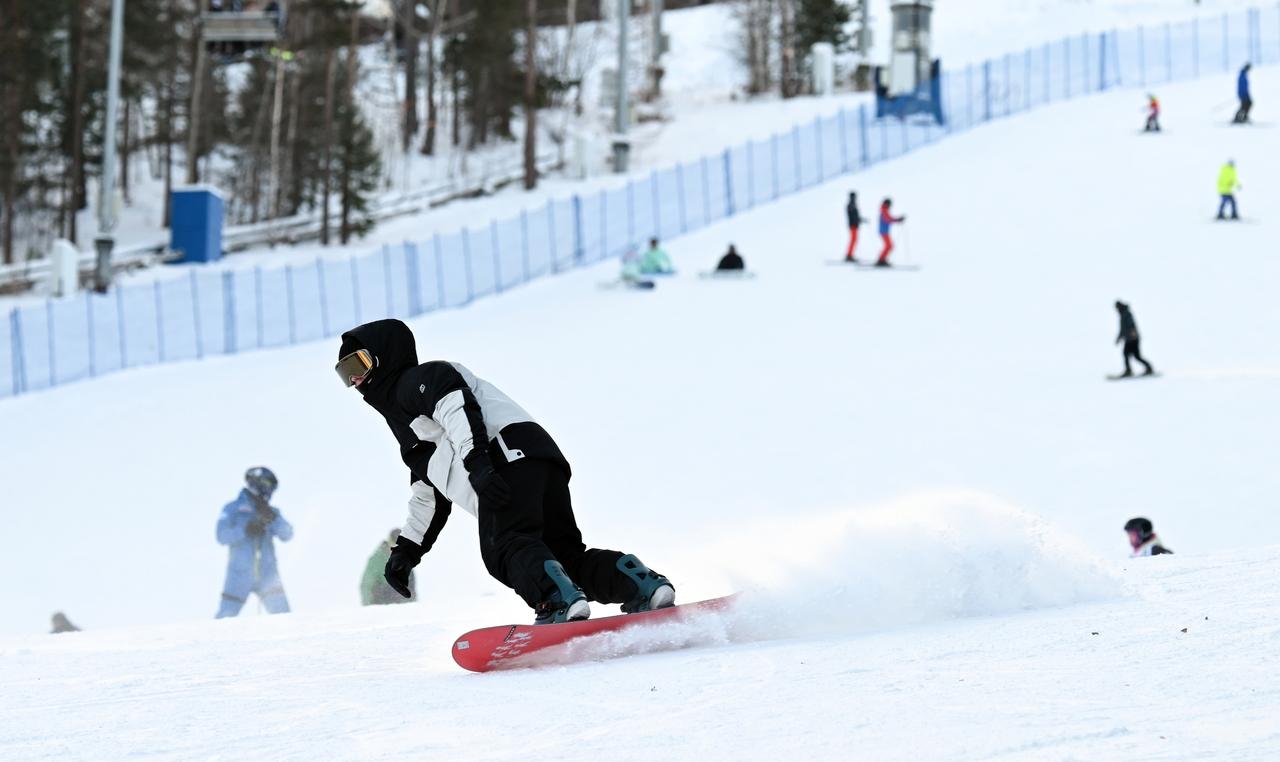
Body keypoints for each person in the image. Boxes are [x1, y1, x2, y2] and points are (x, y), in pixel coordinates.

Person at [335, 319, 676, 625]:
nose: (355, 379)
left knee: (506, 546)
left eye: (358, 363)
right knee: (562, 558)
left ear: (384, 356)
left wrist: (480, 465)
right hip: (535, 459)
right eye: (344, 373)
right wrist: (406, 551)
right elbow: (429, 494)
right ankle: (641, 585)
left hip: (503, 457)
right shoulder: (409, 432)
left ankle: (556, 602)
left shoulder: (418, 380)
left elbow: (456, 407)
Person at [216, 467, 293, 618]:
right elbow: (221, 536)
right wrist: (246, 529)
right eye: (267, 486)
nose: (269, 491)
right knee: (224, 620)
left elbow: (287, 534)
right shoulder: (233, 509)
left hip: (268, 574)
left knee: (284, 619)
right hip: (239, 575)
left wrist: (273, 519)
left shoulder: (272, 512)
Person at [361, 529, 417, 605]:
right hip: (380, 607)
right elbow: (367, 586)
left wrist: (409, 608)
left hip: (401, 609)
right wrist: (370, 607)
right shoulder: (377, 561)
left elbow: (411, 592)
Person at [1114, 301, 1155, 378]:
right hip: (1128, 339)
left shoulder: (1126, 313)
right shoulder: (1122, 314)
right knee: (1127, 354)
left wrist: (1133, 332)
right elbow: (1122, 329)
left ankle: (1147, 368)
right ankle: (1129, 370)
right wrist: (1119, 338)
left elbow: (1131, 324)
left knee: (1136, 356)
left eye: (1116, 307)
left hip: (1133, 338)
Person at [877, 198, 906, 267]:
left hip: (884, 230)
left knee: (889, 246)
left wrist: (898, 219)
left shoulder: (884, 210)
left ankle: (882, 259)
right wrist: (898, 220)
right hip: (884, 231)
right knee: (889, 246)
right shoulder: (884, 210)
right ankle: (881, 260)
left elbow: (889, 218)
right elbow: (888, 219)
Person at [844, 192, 863, 262]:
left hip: (854, 225)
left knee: (854, 240)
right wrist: (858, 220)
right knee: (853, 240)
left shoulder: (853, 204)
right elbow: (853, 216)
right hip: (853, 225)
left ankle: (850, 254)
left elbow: (855, 216)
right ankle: (849, 255)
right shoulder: (851, 205)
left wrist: (860, 220)